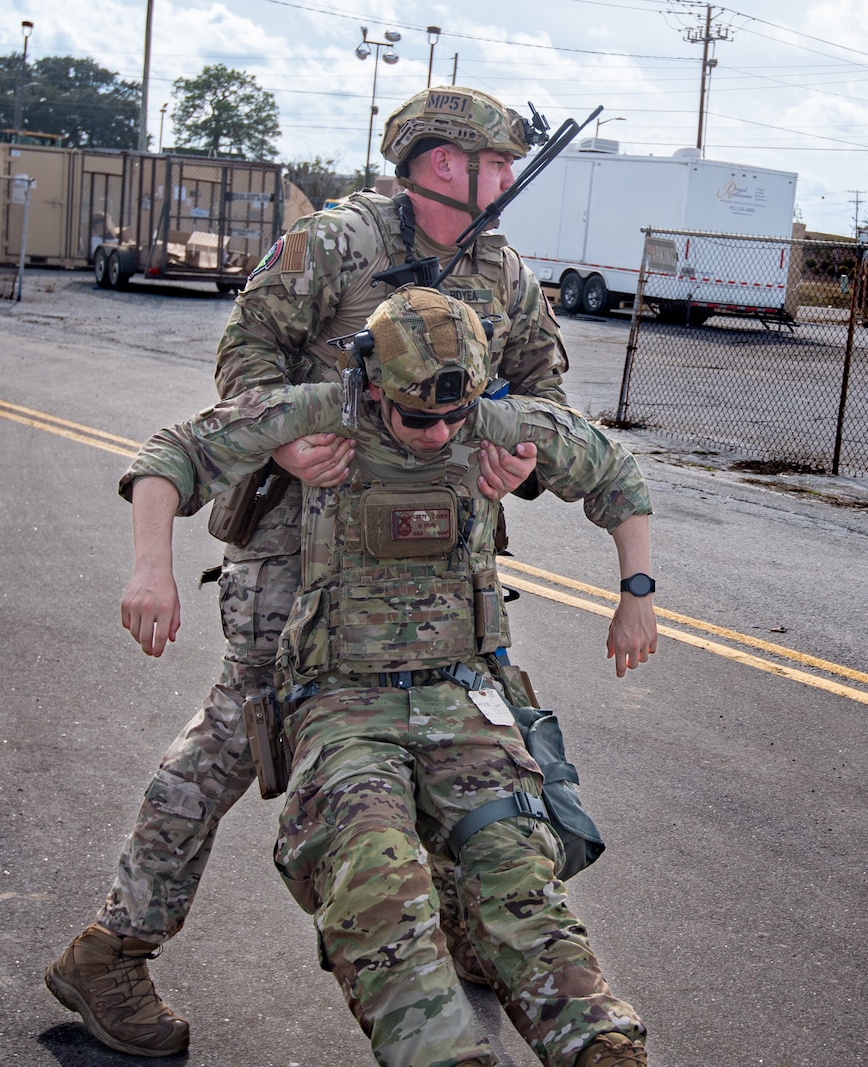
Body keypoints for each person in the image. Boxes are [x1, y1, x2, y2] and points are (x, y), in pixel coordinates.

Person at [48, 86, 573, 1057]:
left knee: (460, 729)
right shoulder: (331, 244)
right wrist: (285, 445)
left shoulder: (505, 271)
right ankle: (113, 948)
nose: (499, 183)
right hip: (299, 545)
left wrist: (524, 453)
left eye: (507, 166)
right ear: (431, 161)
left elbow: (542, 388)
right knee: (240, 735)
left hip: (433, 554)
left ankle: (473, 930)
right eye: (483, 163)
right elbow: (245, 352)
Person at [114, 286, 656, 1067]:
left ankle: (600, 1045)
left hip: (460, 692)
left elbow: (615, 472)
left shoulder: (494, 423)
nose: (439, 435)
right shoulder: (317, 413)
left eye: (453, 417)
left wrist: (636, 593)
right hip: (342, 699)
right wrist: (150, 570)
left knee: (515, 859)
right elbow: (168, 455)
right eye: (417, 419)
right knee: (375, 865)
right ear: (373, 384)